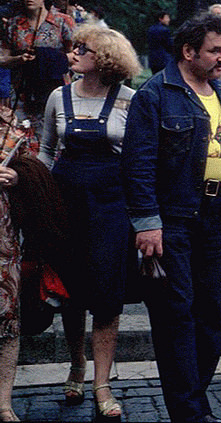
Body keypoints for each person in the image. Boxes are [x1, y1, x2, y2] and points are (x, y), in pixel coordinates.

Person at [122, 11, 221, 423]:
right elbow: (137, 166)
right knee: (177, 315)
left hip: (212, 215)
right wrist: (147, 222)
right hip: (172, 219)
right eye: (214, 50)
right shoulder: (154, 95)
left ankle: (193, 399)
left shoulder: (220, 92)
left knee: (210, 314)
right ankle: (189, 413)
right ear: (188, 51)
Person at [38, 26, 140, 420]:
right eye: (75, 46)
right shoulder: (57, 97)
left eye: (85, 48)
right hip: (67, 204)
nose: (74, 52)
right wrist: (39, 202)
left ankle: (102, 383)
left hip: (111, 207)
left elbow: (137, 160)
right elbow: (47, 152)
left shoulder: (129, 101)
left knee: (107, 293)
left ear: (106, 58)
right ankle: (76, 366)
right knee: (71, 290)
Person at [0, 0, 73, 138]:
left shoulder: (63, 22)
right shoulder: (14, 25)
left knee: (55, 134)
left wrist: (49, 59)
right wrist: (18, 59)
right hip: (23, 90)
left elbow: (74, 54)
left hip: (55, 88)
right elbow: (2, 58)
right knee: (22, 135)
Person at [0, 159, 21, 422]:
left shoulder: (14, 121)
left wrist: (19, 176)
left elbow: (39, 162)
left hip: (4, 235)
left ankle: (3, 402)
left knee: (7, 317)